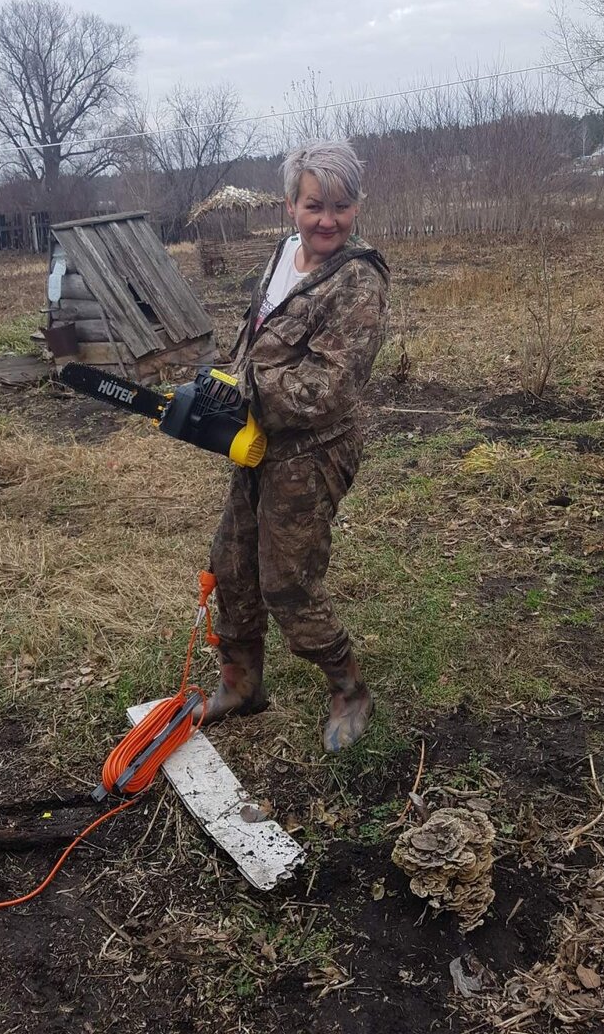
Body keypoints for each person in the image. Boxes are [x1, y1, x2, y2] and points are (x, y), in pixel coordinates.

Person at [204, 139, 390, 752]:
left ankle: (347, 686)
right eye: (315, 205)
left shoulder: (358, 280)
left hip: (313, 449)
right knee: (232, 562)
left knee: (287, 578)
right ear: (291, 206)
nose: (327, 220)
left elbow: (331, 386)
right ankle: (242, 682)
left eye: (340, 206)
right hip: (258, 439)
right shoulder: (284, 256)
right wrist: (224, 389)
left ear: (357, 206)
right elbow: (255, 338)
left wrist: (249, 392)